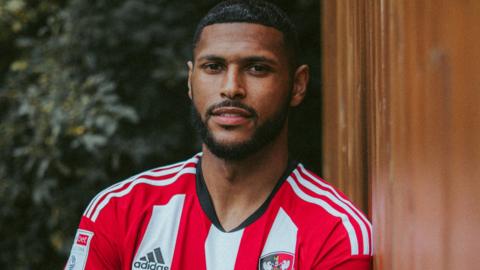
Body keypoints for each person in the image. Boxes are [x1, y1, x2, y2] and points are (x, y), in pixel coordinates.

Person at [65, 1, 372, 269]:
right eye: (213, 66)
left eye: (257, 68)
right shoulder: (121, 211)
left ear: (298, 85)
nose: (231, 87)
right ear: (190, 80)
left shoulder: (336, 233)